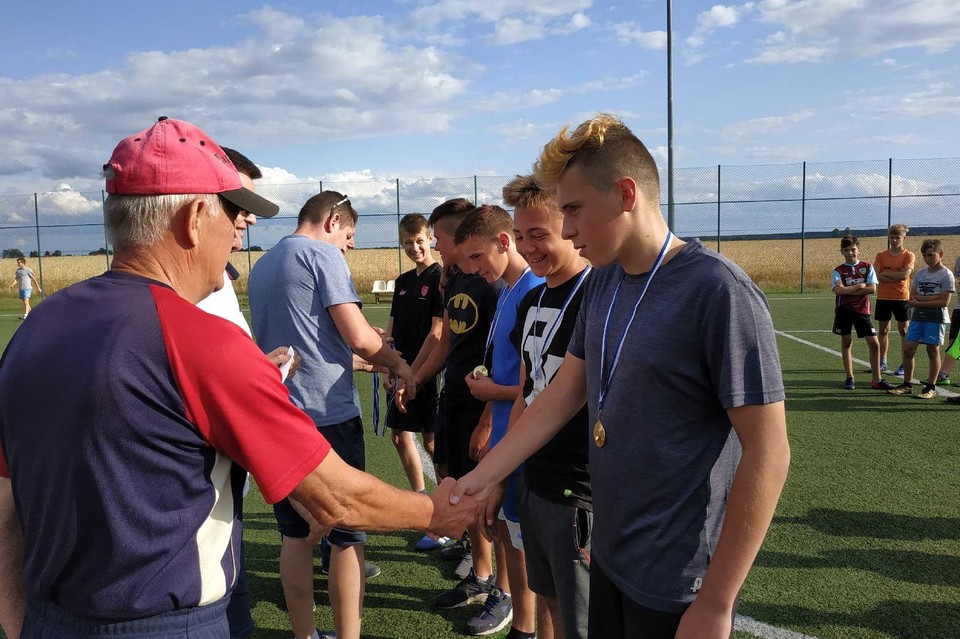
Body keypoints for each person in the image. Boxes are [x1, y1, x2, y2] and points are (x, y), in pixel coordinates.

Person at [0, 117, 476, 639]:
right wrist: (433, 510)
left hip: (48, 619)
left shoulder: (37, 328)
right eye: (235, 214)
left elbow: (6, 505)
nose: (237, 235)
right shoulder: (199, 339)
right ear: (197, 216)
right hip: (167, 623)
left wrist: (22, 622)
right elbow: (336, 498)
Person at [451, 113, 791, 639]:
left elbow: (769, 452)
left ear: (626, 194)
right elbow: (560, 395)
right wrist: (482, 478)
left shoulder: (717, 291)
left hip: (678, 576)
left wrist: (718, 602)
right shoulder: (605, 283)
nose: (565, 230)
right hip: (607, 549)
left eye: (574, 210)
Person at [247, 190, 418, 639]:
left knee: (295, 536)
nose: (351, 244)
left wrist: (361, 359)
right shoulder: (323, 257)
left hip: (277, 416)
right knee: (346, 533)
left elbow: (313, 343)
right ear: (332, 220)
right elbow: (360, 337)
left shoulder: (264, 264)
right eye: (349, 233)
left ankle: (304, 635)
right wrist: (398, 364)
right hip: (328, 417)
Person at [194, 146, 297, 639]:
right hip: (189, 525)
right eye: (238, 206)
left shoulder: (217, 279)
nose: (249, 222)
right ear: (198, 210)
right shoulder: (188, 296)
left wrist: (256, 366)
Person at [394, 199, 506, 628]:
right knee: (457, 486)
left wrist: (490, 416)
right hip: (454, 399)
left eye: (440, 237)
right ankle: (480, 572)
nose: (437, 244)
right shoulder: (454, 278)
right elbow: (444, 343)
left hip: (482, 406)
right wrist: (417, 378)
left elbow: (507, 358)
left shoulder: (493, 284)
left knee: (489, 500)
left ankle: (503, 589)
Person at [504, 174, 593, 639]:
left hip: (579, 486)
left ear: (571, 227)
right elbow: (526, 391)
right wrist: (503, 470)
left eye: (539, 234)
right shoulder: (532, 298)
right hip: (534, 478)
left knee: (582, 618)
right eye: (520, 235)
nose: (528, 247)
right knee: (549, 599)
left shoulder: (598, 295)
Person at [455, 204, 544, 638]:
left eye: (477, 257)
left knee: (524, 541)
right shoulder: (508, 290)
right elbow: (511, 366)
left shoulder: (533, 290)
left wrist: (497, 395)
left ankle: (524, 626)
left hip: (527, 438)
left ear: (504, 242)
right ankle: (516, 613)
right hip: (507, 431)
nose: (473, 270)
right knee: (507, 529)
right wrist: (490, 410)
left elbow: (548, 387)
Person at [382, 213, 445, 552]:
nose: (414, 247)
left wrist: (413, 375)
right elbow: (390, 330)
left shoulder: (440, 279)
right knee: (398, 436)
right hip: (403, 372)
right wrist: (387, 368)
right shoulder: (403, 281)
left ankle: (445, 516)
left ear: (431, 238)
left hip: (426, 374)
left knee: (434, 444)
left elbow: (437, 333)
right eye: (407, 242)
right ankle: (423, 508)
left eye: (419, 240)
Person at [888, 239, 955, 400]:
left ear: (941, 254)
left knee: (932, 350)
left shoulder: (946, 274)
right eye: (924, 255)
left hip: (935, 317)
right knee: (908, 349)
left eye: (931, 255)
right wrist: (929, 298)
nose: (927, 258)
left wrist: (922, 301)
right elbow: (912, 296)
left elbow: (944, 301)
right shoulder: (920, 273)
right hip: (918, 316)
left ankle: (930, 387)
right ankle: (907, 384)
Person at [832, 235, 894, 391]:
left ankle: (877, 379)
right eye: (846, 250)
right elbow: (838, 291)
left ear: (858, 250)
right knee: (846, 343)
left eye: (853, 249)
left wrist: (848, 290)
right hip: (843, 310)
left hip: (862, 310)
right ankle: (849, 378)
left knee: (874, 344)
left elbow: (872, 289)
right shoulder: (838, 271)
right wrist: (859, 286)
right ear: (842, 252)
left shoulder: (867, 267)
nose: (850, 253)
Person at [874, 224, 915, 376]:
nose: (894, 240)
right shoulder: (881, 256)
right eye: (892, 237)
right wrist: (893, 276)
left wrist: (886, 275)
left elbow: (904, 276)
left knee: (904, 331)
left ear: (904, 237)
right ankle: (882, 361)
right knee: (883, 330)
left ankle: (905, 363)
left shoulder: (908, 255)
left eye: (897, 237)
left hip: (901, 297)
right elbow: (877, 275)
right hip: (883, 297)